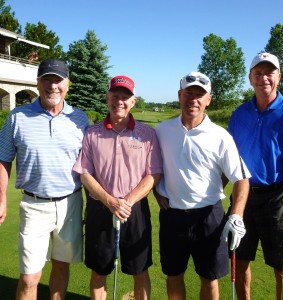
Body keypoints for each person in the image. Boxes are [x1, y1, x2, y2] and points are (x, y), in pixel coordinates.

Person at [153, 71, 250, 300]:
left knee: (209, 277)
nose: (193, 99)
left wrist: (236, 215)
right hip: (172, 216)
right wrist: (156, 191)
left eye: (200, 95)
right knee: (173, 275)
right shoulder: (162, 131)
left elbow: (241, 178)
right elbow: (151, 168)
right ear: (179, 95)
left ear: (208, 99)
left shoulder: (220, 136)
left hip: (209, 217)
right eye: (189, 93)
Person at [0, 58, 89, 300]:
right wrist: (1, 199)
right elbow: (3, 159)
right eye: (47, 79)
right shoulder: (17, 117)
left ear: (67, 85)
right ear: (37, 83)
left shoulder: (80, 119)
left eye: (58, 80)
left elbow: (89, 166)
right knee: (29, 277)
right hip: (34, 205)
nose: (53, 86)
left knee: (61, 266)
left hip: (70, 203)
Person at [73, 75, 162, 300]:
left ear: (133, 102)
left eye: (125, 97)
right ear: (107, 98)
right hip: (100, 209)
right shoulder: (92, 133)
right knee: (99, 271)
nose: (119, 101)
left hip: (135, 210)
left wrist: (126, 202)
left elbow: (153, 174)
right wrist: (110, 201)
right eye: (115, 96)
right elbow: (84, 173)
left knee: (140, 270)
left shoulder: (146, 134)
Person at [228, 52, 283, 300]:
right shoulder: (239, 114)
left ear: (278, 77)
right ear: (250, 78)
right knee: (239, 261)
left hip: (279, 198)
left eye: (269, 72)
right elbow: (229, 160)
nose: (263, 78)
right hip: (243, 197)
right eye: (258, 73)